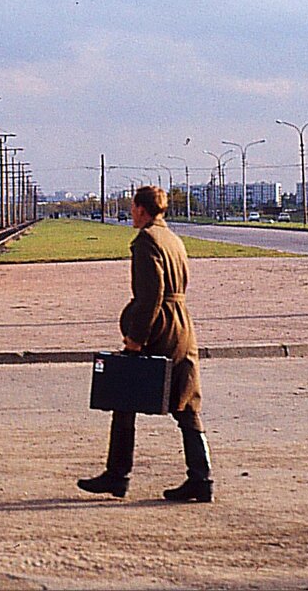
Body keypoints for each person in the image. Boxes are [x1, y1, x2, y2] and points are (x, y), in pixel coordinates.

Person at [77, 185, 213, 503]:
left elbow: (150, 294)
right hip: (182, 325)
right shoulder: (173, 239)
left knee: (124, 396)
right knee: (186, 402)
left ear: (141, 209)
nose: (131, 215)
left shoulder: (146, 241)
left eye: (133, 208)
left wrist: (136, 339)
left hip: (159, 326)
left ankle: (117, 476)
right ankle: (201, 479)